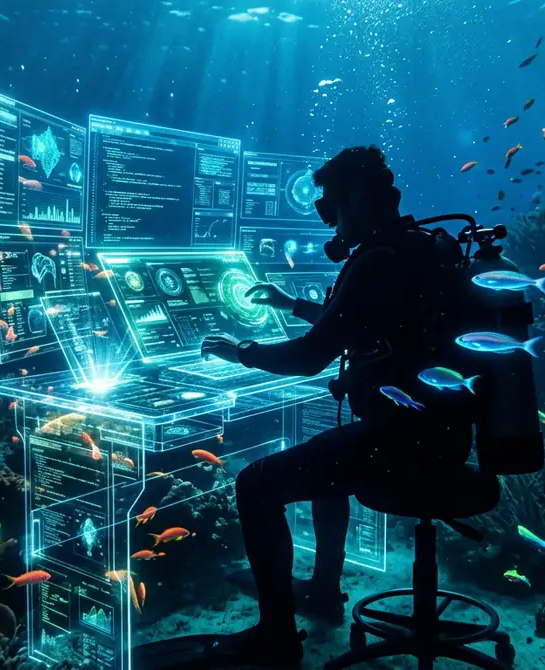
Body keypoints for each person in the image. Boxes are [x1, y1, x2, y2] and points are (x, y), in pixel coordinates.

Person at [199, 145, 476, 664]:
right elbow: (354, 322)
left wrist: (240, 351)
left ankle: (276, 636)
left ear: (358, 201)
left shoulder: (375, 261)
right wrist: (290, 303)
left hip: (401, 441)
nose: (330, 219)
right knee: (330, 462)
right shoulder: (421, 248)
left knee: (255, 484)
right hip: (442, 434)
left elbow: (309, 358)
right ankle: (324, 590)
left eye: (330, 205)